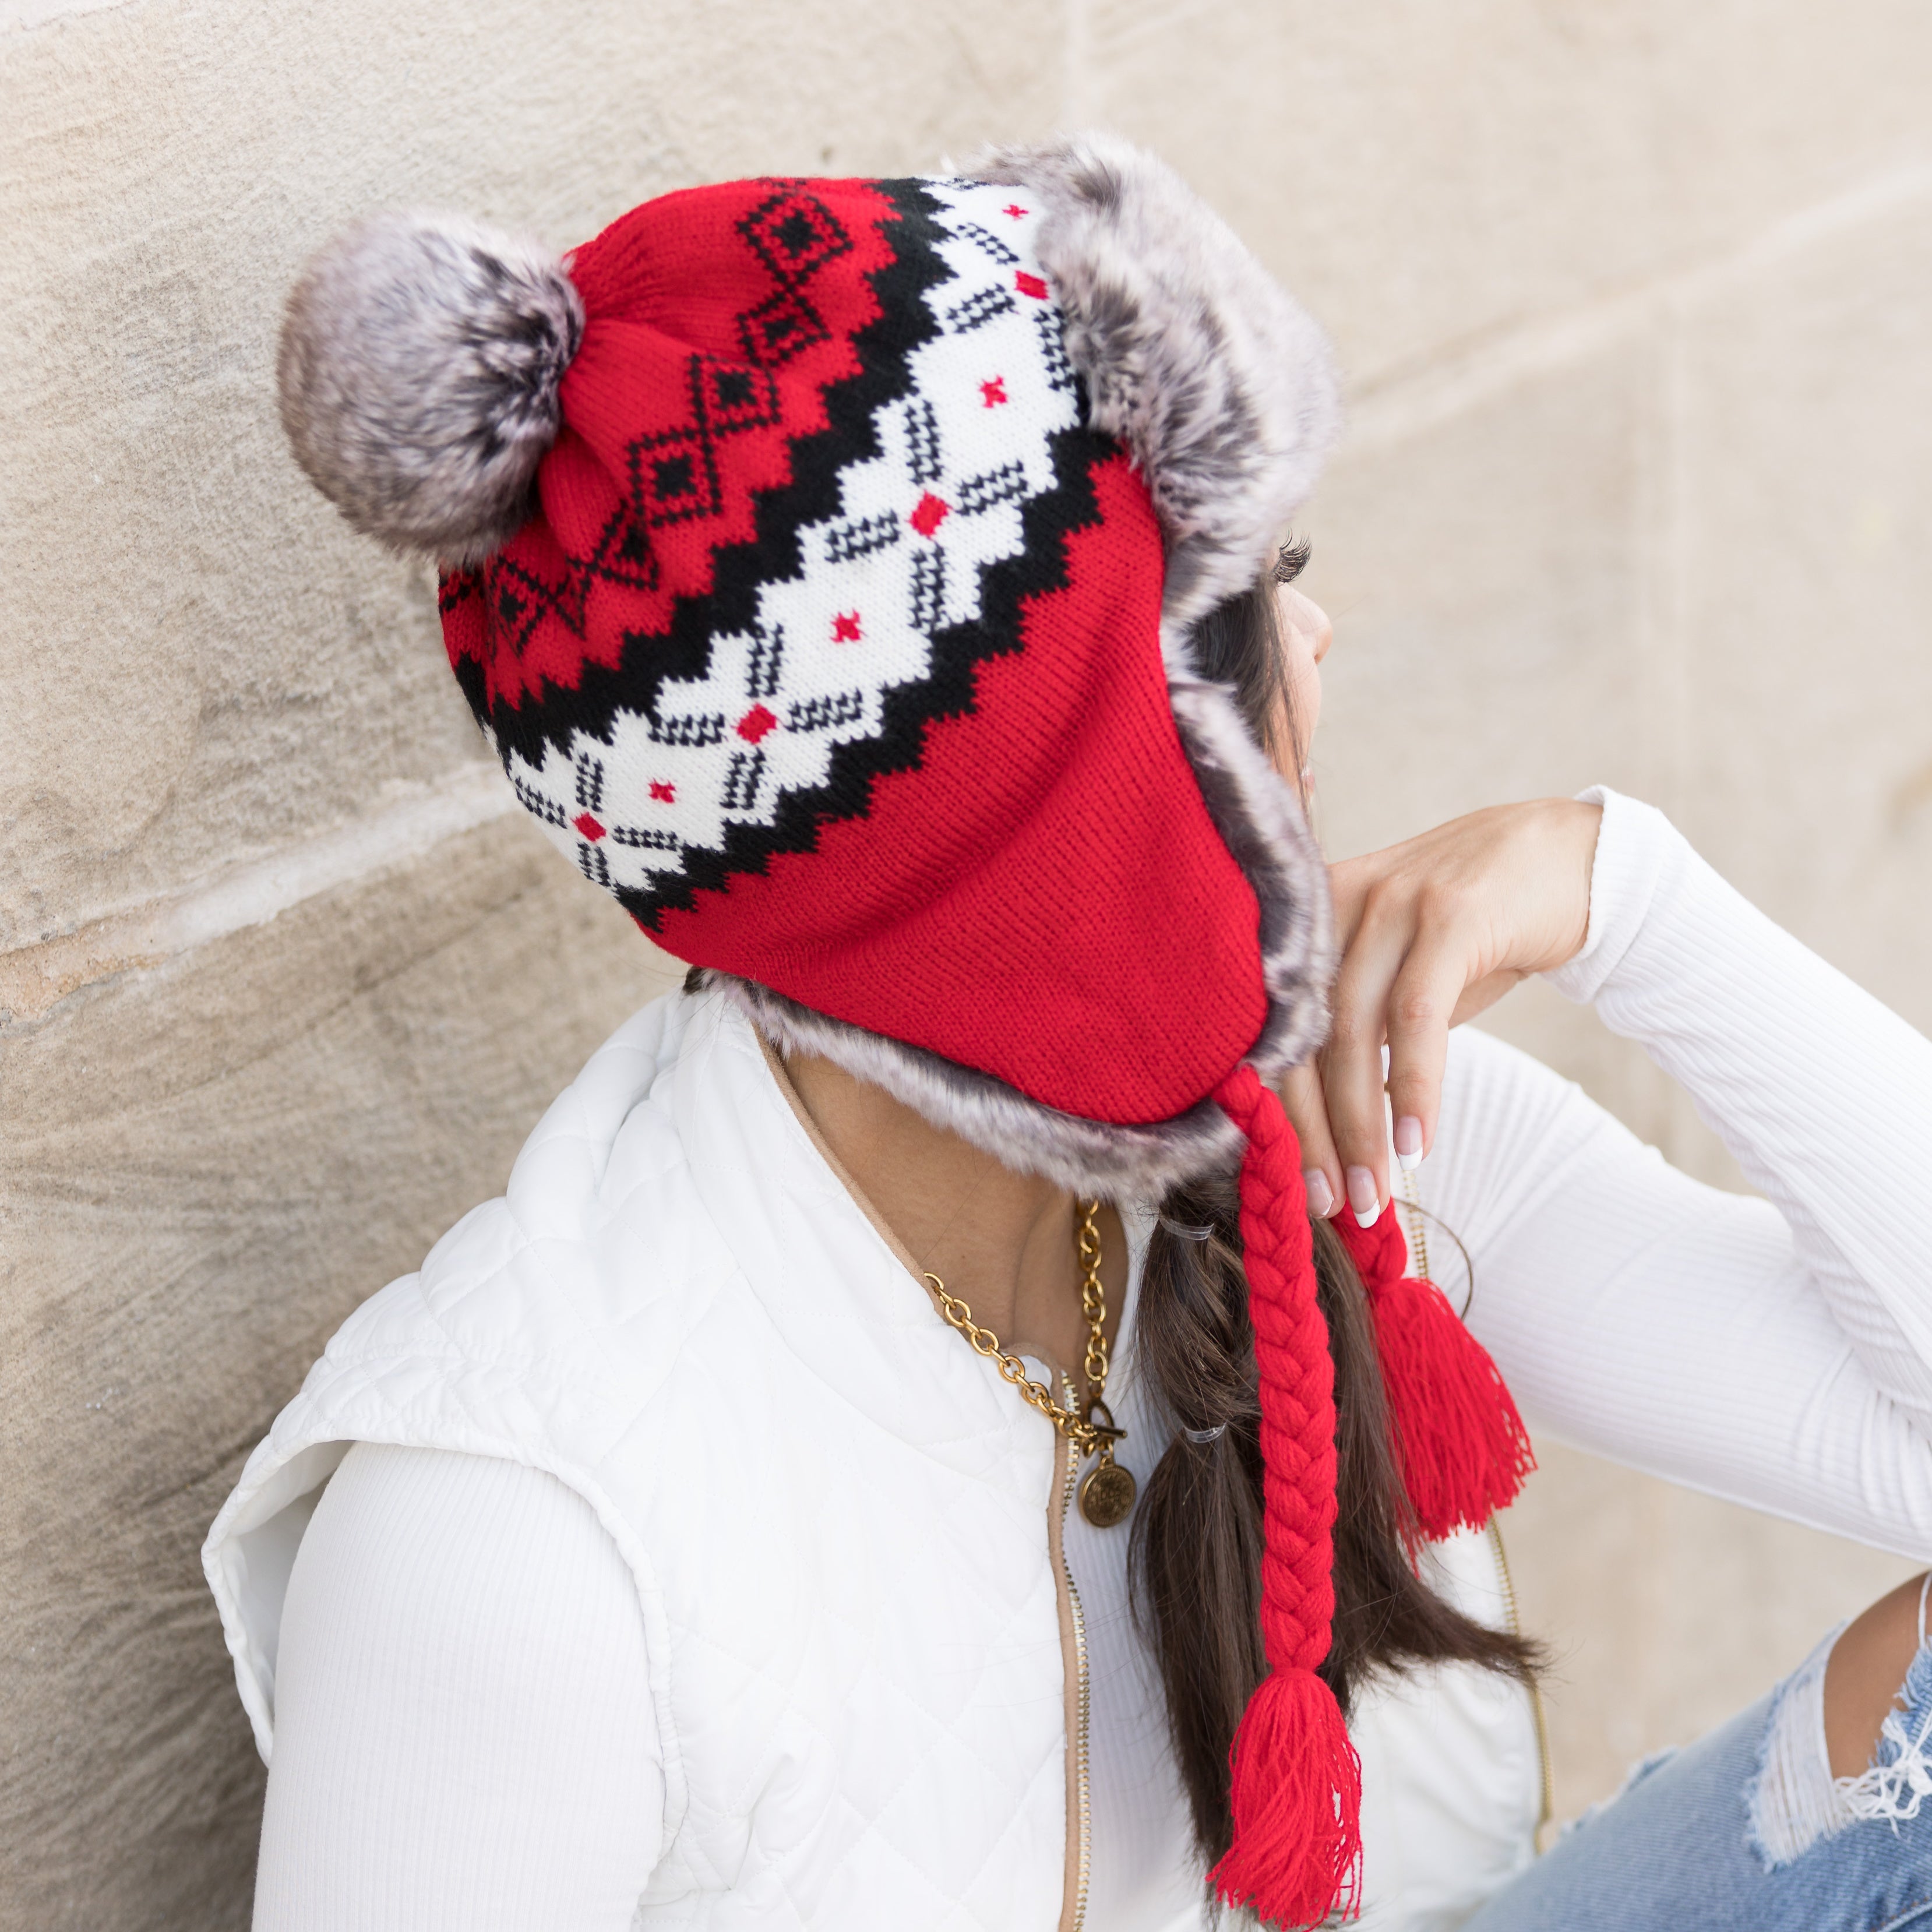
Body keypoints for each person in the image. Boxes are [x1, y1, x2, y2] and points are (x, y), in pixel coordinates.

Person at [203, 136, 1932, 1931]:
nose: (1314, 636)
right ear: (1058, 802)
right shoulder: (518, 1526)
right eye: (1241, 596)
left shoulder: (1319, 1134)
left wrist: (1624, 893)